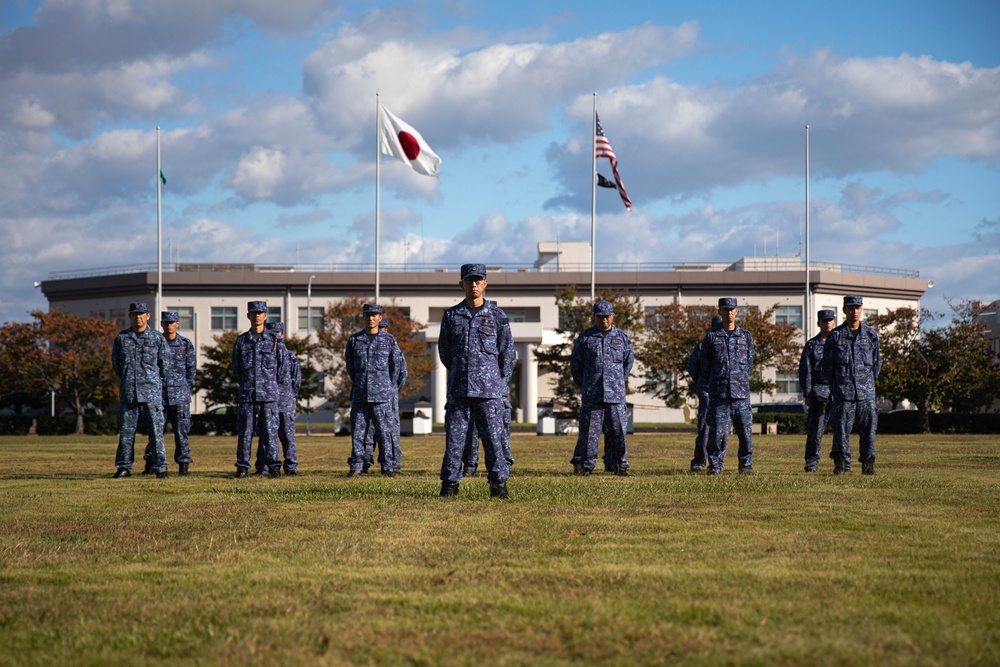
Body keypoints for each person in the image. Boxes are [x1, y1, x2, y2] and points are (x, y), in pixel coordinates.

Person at [438, 263, 515, 498]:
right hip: (460, 390)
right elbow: (445, 352)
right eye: (469, 280)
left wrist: (497, 384)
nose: (474, 285)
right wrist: (462, 372)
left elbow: (507, 354)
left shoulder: (497, 316)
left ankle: (498, 486)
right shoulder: (451, 316)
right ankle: (450, 486)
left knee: (493, 440)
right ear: (461, 284)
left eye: (478, 280)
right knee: (454, 441)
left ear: (485, 283)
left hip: (489, 392)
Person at [569, 300, 635, 476]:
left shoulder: (622, 337)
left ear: (612, 316)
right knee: (589, 433)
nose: (604, 320)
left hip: (615, 394)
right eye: (600, 317)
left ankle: (617, 464)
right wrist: (585, 385)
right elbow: (576, 365)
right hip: (593, 394)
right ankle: (584, 465)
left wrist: (618, 381)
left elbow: (628, 362)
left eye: (607, 316)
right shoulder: (585, 338)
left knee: (618, 431)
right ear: (595, 317)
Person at [345, 304, 407, 477]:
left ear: (380, 318)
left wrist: (388, 387)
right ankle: (356, 466)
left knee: (385, 433)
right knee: (358, 433)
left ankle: (387, 466)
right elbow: (351, 367)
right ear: (363, 317)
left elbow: (396, 367)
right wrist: (361, 383)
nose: (371, 318)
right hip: (360, 395)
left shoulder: (388, 340)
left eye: (374, 315)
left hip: (382, 397)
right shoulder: (354, 340)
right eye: (368, 315)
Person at [822, 295, 881, 475]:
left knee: (868, 431)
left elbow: (876, 363)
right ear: (844, 310)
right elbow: (827, 366)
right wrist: (837, 386)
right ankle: (841, 465)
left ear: (861, 309)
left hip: (866, 394)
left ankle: (868, 465)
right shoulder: (835, 335)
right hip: (843, 393)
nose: (854, 311)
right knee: (841, 432)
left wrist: (868, 383)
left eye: (857, 308)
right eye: (850, 308)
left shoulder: (870, 335)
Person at [111, 302, 170, 478]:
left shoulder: (157, 338)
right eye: (135, 314)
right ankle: (124, 467)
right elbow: (117, 365)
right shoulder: (122, 338)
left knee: (156, 434)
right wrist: (128, 380)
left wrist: (153, 383)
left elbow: (164, 366)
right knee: (126, 434)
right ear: (130, 316)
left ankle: (160, 467)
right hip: (129, 393)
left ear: (148, 316)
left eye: (142, 314)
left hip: (151, 393)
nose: (138, 317)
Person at [699, 297, 756, 475]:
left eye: (732, 309)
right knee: (716, 433)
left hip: (740, 394)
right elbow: (705, 365)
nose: (729, 312)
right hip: (719, 394)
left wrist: (736, 379)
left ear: (737, 312)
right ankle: (715, 465)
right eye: (725, 309)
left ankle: (745, 465)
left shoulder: (745, 336)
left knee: (745, 433)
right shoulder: (711, 337)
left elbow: (749, 362)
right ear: (719, 312)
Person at [231, 301, 287, 479]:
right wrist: (247, 384)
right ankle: (242, 467)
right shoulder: (241, 341)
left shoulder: (274, 340)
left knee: (270, 432)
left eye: (260, 313)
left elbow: (282, 368)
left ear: (265, 316)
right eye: (253, 313)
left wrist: (270, 385)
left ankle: (273, 467)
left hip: (269, 394)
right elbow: (236, 369)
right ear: (248, 316)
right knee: (245, 432)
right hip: (248, 394)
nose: (257, 316)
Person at [146, 311, 196, 476]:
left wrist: (183, 387)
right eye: (166, 322)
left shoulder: (185, 344)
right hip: (158, 395)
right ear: (162, 324)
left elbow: (191, 370)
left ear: (177, 324)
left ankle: (183, 465)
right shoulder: (154, 342)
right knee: (156, 431)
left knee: (181, 432)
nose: (169, 325)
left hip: (179, 396)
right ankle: (151, 463)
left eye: (172, 322)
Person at [799, 309, 837, 472]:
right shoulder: (812, 345)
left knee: (841, 431)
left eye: (830, 320)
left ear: (834, 322)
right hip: (818, 394)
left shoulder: (840, 343)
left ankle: (842, 463)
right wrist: (807, 393)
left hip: (838, 392)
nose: (827, 323)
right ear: (818, 323)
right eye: (824, 320)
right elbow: (805, 371)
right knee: (816, 432)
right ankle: (812, 463)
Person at [687, 315, 724, 472]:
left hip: (721, 389)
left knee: (720, 427)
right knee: (706, 426)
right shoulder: (703, 346)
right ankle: (700, 460)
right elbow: (692, 367)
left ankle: (716, 461)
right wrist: (703, 382)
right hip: (708, 390)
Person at [265, 322, 301, 476]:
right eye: (272, 333)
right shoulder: (264, 355)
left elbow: (296, 379)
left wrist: (290, 395)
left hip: (285, 401)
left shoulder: (290, 356)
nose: (275, 337)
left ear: (282, 335)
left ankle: (291, 466)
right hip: (268, 400)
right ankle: (265, 466)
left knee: (287, 435)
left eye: (278, 333)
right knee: (267, 435)